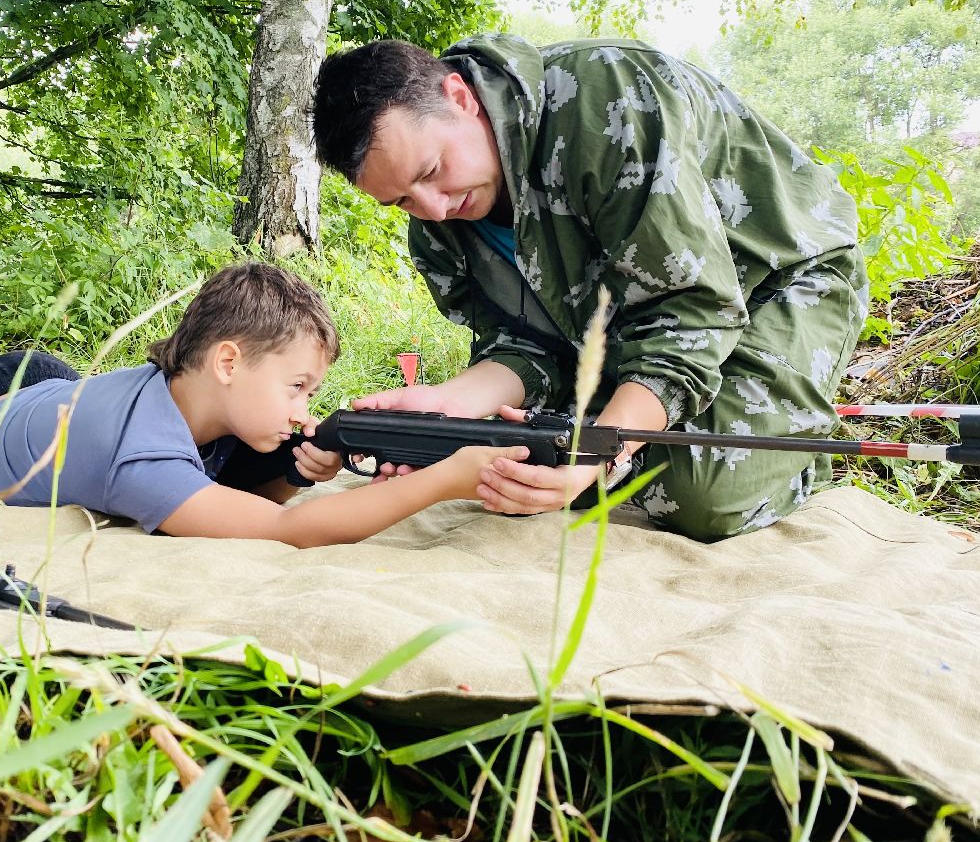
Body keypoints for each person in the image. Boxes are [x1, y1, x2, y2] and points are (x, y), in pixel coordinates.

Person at [311, 35, 868, 541]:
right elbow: (527, 348)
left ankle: (801, 442)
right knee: (531, 456)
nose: (434, 209)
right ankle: (659, 423)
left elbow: (691, 310)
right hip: (623, 327)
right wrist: (446, 403)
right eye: (402, 200)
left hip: (779, 279)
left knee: (703, 496)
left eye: (432, 171)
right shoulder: (437, 225)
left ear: (459, 97)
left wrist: (598, 453)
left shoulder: (608, 101)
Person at [0, 263, 533, 547]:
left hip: (45, 383)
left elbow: (252, 493)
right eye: (298, 387)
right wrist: (451, 475)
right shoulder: (143, 459)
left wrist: (302, 468)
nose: (307, 407)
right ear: (228, 361)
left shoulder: (189, 397)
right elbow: (282, 530)